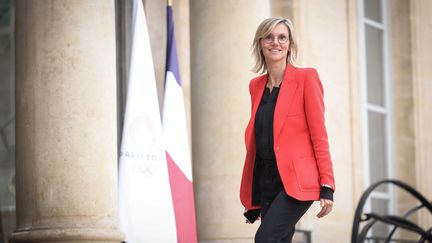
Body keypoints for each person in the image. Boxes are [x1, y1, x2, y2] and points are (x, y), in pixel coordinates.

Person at [239, 17, 336, 243]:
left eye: (282, 37)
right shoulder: (255, 86)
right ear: (260, 43)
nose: (276, 42)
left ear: (290, 44)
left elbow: (319, 136)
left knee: (265, 239)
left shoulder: (306, 78)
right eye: (269, 37)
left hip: (296, 181)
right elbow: (259, 138)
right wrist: (254, 197)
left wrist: (327, 185)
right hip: (266, 179)